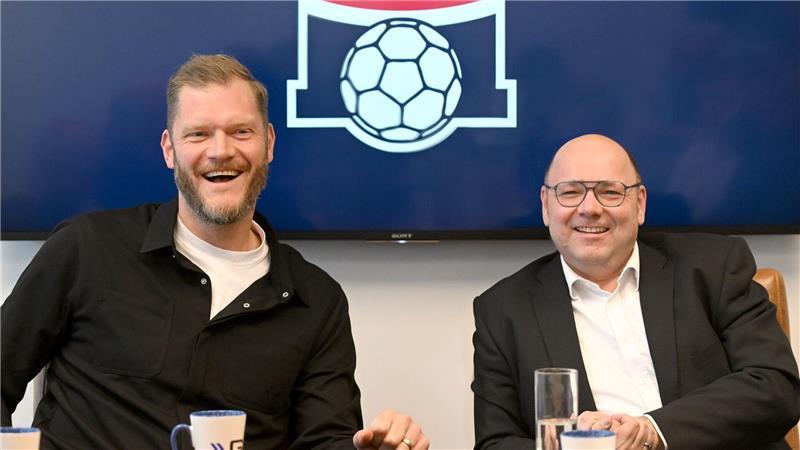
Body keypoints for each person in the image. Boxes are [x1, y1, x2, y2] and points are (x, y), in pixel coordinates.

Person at [1, 54, 429, 450]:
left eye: (241, 132)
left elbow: (325, 440)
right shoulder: (85, 248)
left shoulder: (317, 301)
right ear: (170, 149)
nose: (221, 151)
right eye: (198, 134)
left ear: (268, 144)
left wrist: (374, 447)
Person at [472, 134, 800, 450]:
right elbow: (496, 442)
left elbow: (776, 386)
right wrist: (574, 444)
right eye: (570, 192)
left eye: (610, 192)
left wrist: (652, 430)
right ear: (546, 206)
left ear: (639, 203)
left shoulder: (713, 268)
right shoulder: (503, 311)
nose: (590, 208)